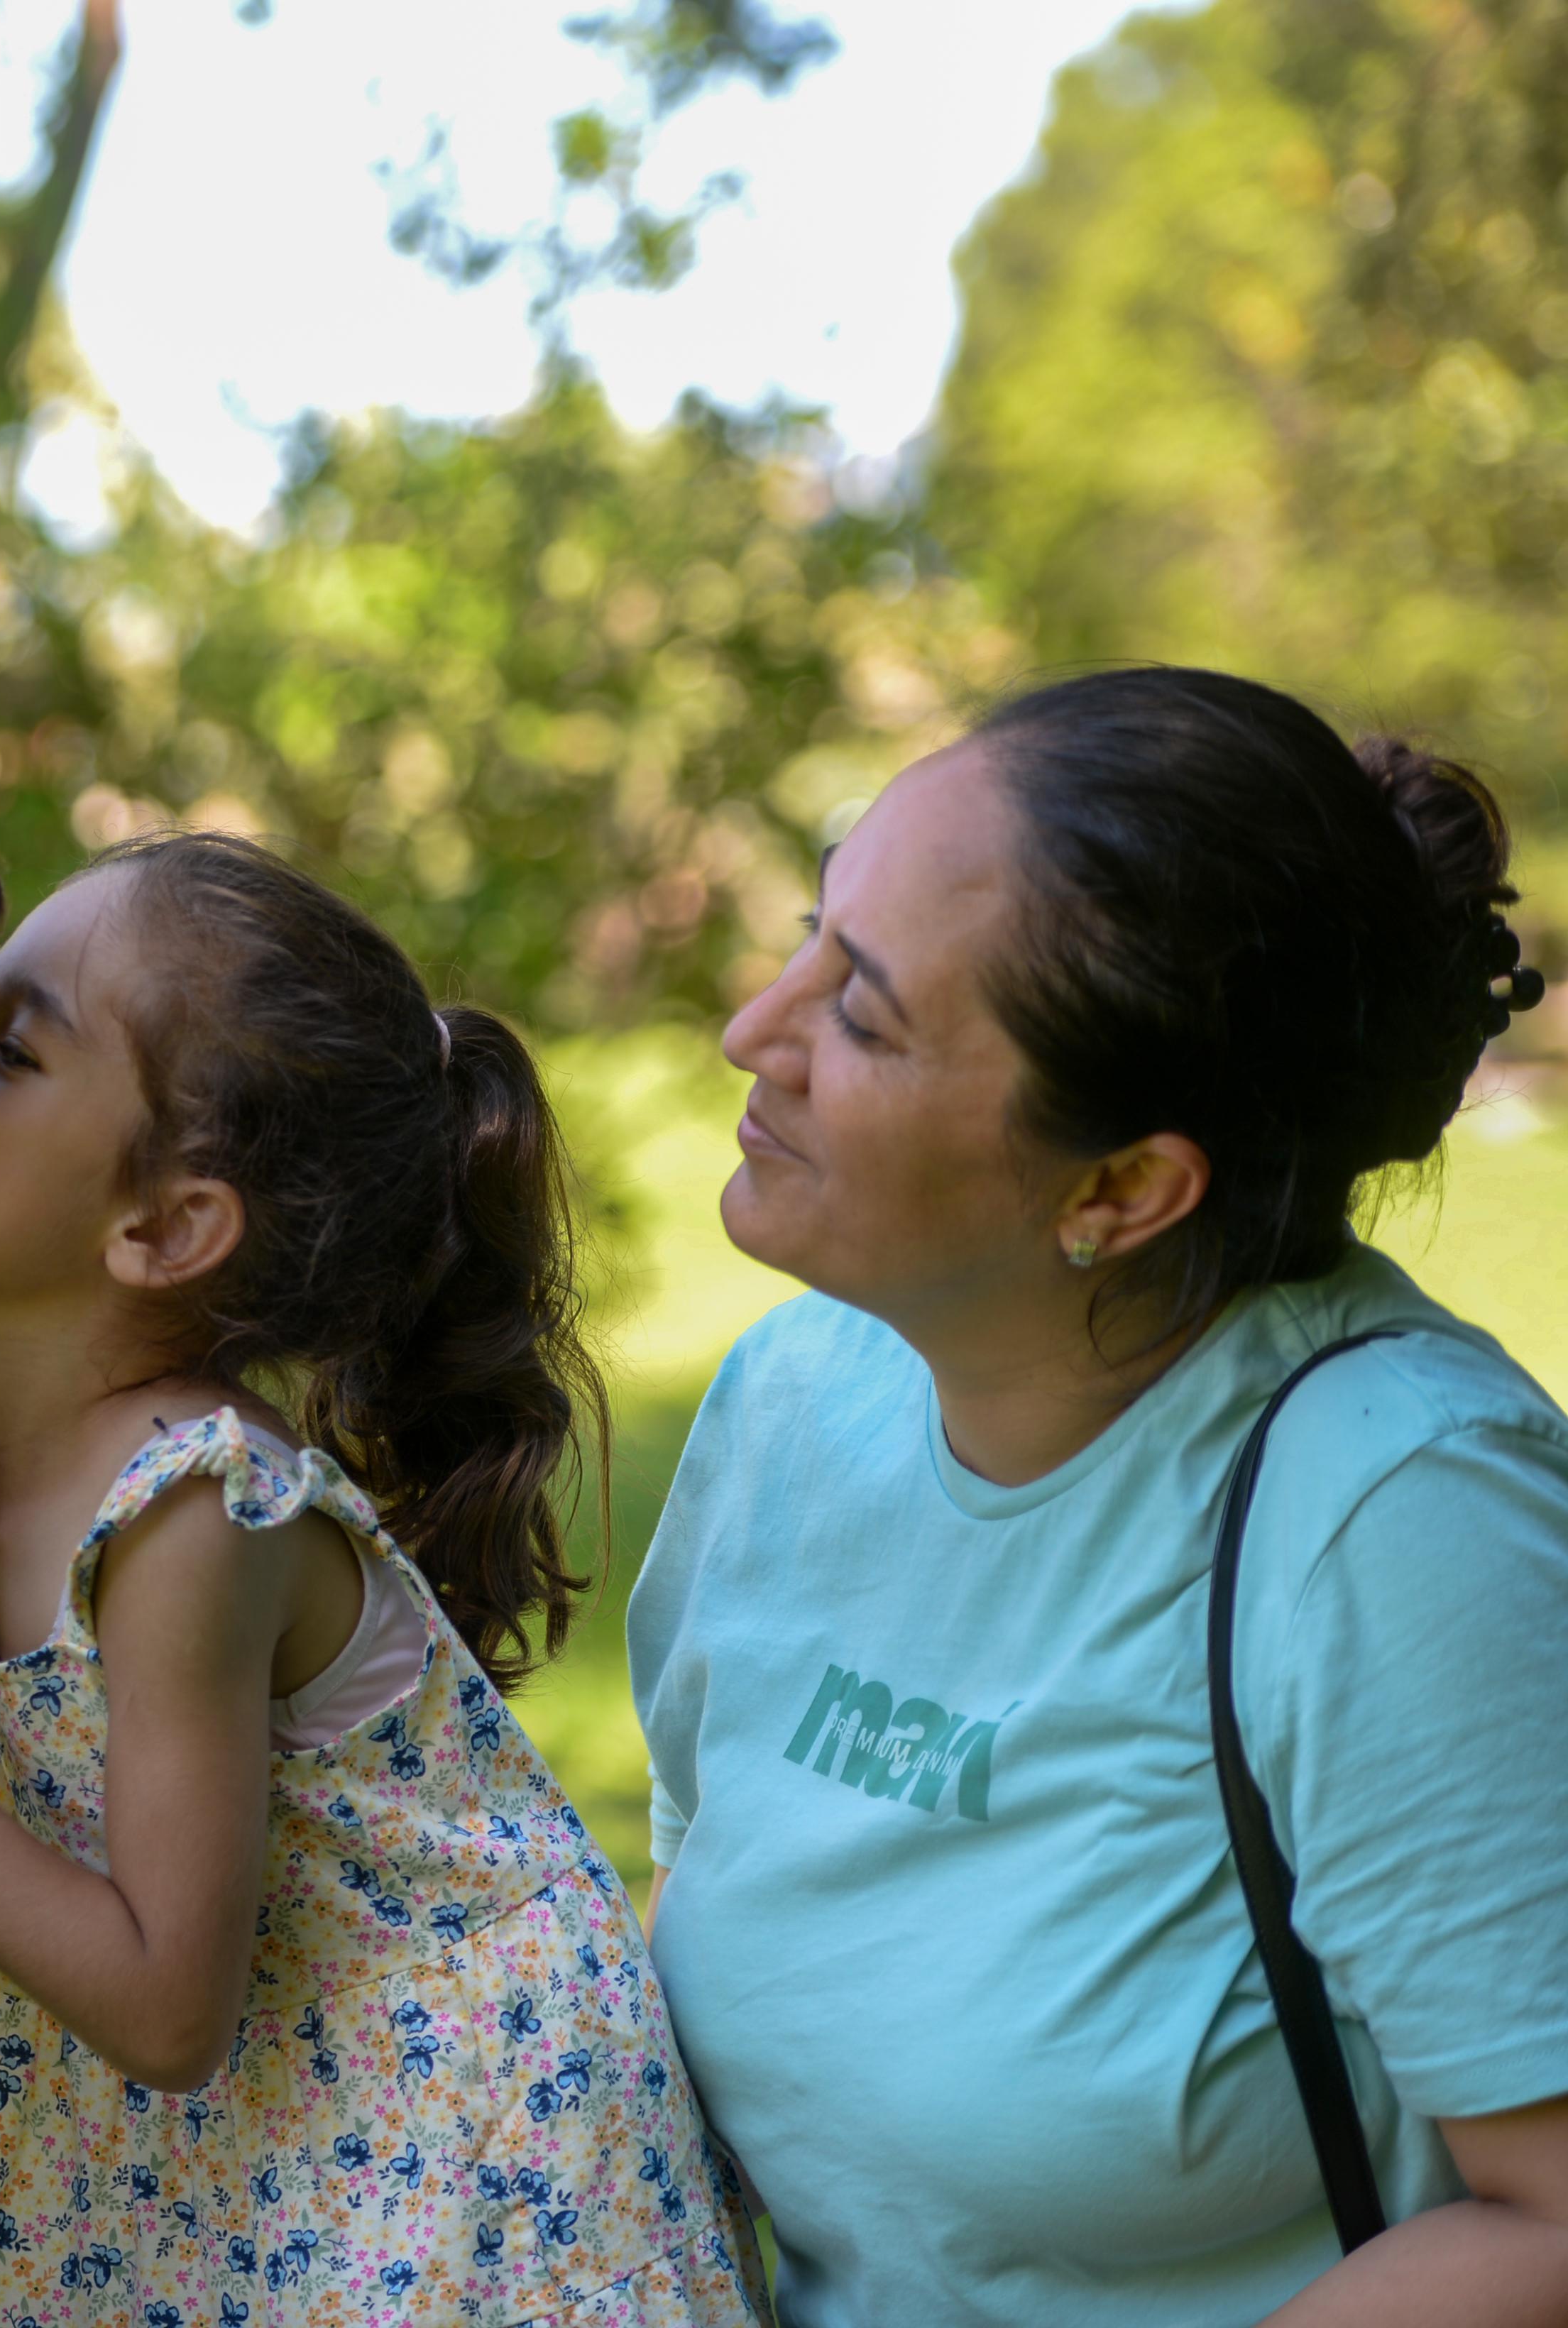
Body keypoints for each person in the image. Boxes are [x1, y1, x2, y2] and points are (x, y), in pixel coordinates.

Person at [0, 833, 769, 2326]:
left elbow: (167, 2005)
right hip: (258, 2151)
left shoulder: (193, 1509)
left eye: (11, 1046)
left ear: (166, 1225)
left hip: (454, 2168)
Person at [627, 666, 1568, 2324]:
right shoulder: (789, 1400)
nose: (750, 1031)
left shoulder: (1399, 1520)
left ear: (1122, 1186)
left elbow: (1552, 2215)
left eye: (860, 1012)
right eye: (811, 932)